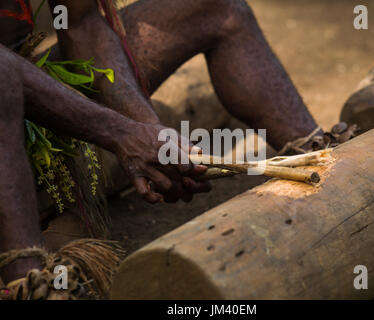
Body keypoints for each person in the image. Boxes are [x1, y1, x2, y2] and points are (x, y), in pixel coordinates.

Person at [0, 0, 319, 289]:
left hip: (25, 88)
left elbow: (82, 24)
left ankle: (323, 162)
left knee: (217, 9)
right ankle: (29, 283)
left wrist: (152, 134)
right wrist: (122, 134)